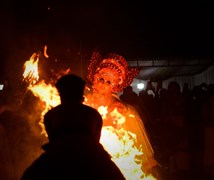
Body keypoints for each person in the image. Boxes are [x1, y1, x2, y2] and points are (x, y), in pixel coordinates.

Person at [21, 73, 125, 180]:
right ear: (81, 94)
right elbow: (95, 141)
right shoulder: (93, 114)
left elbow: (53, 142)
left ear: (61, 94)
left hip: (58, 159)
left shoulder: (51, 115)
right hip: (91, 158)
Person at [84, 51, 159, 178]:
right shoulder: (84, 101)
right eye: (101, 79)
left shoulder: (121, 111)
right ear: (95, 78)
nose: (103, 85)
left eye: (108, 82)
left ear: (114, 86)